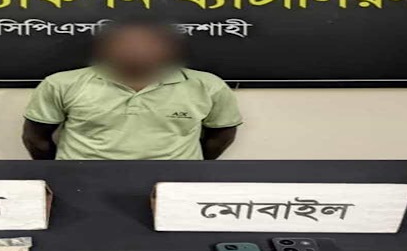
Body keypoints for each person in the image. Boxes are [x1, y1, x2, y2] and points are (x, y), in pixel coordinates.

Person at [22, 19, 242, 160]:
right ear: (106, 49)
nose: (136, 51)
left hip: (175, 183)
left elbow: (221, 136)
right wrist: (59, 173)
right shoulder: (61, 84)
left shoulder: (207, 86)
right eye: (126, 44)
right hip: (81, 181)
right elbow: (36, 139)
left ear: (169, 50)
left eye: (148, 45)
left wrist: (187, 168)